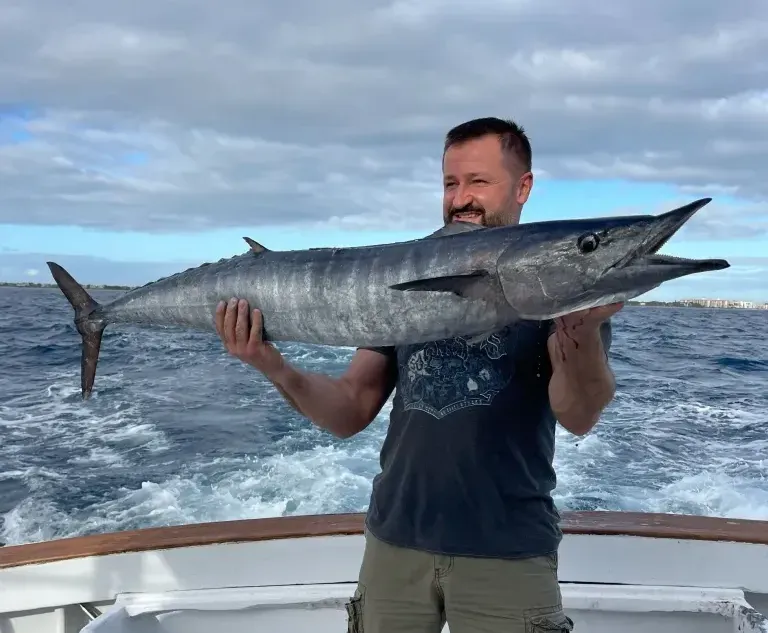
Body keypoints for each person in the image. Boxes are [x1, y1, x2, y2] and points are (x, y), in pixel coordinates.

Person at [214, 117, 621, 633]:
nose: (461, 199)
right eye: (451, 183)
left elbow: (578, 413)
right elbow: (350, 408)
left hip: (509, 553)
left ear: (523, 187)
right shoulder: (404, 274)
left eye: (479, 181)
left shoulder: (558, 290)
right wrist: (271, 364)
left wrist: (579, 334)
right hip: (394, 544)